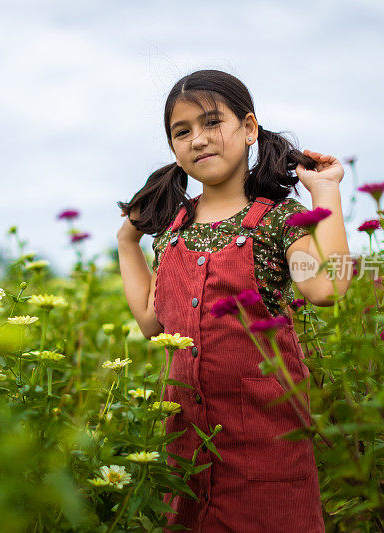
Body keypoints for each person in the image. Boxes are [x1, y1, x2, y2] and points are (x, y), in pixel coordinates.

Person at [116, 69, 351, 532]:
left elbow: (327, 287)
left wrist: (326, 193)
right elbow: (150, 322)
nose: (198, 140)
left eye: (211, 123)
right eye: (182, 132)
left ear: (248, 129)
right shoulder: (173, 231)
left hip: (267, 449)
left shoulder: (278, 221)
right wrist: (128, 241)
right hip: (187, 452)